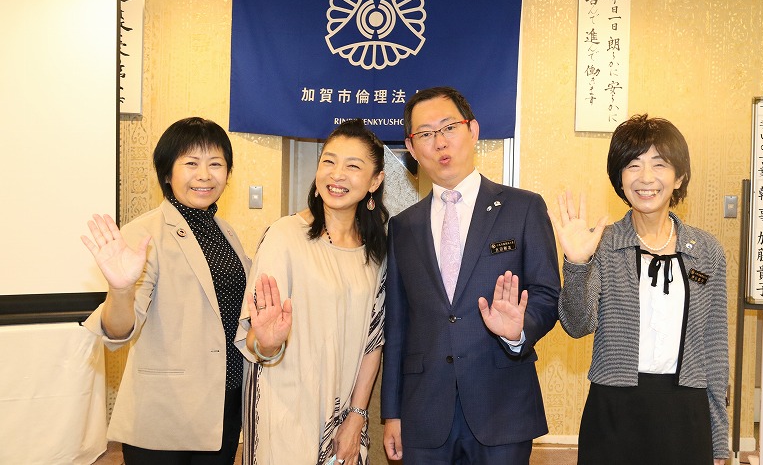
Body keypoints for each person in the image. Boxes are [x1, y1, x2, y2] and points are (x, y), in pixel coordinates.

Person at [380, 86, 561, 464]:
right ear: (411, 148)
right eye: (425, 134)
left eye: (449, 127)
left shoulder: (523, 208)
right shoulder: (403, 227)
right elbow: (397, 324)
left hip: (503, 406)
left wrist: (519, 330)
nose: (440, 142)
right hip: (424, 412)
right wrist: (392, 413)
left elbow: (547, 293)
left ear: (473, 130)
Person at [552, 114, 729, 465]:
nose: (646, 177)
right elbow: (577, 324)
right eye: (633, 165)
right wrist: (576, 264)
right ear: (620, 178)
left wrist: (719, 438)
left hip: (686, 411)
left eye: (659, 164)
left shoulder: (706, 250)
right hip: (614, 411)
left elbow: (715, 347)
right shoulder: (601, 244)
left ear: (679, 177)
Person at [81, 117, 250, 465]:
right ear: (167, 173)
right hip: (167, 411)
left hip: (225, 403)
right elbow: (118, 331)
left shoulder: (226, 232)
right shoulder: (144, 234)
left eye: (215, 164)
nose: (204, 175)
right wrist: (120, 290)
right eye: (191, 163)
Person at [235, 119, 389, 465]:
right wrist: (267, 342)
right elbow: (257, 340)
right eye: (329, 161)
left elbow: (373, 342)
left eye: (353, 166)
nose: (337, 174)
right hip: (284, 410)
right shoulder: (284, 236)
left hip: (345, 414)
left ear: (374, 181)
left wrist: (357, 416)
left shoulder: (376, 251)